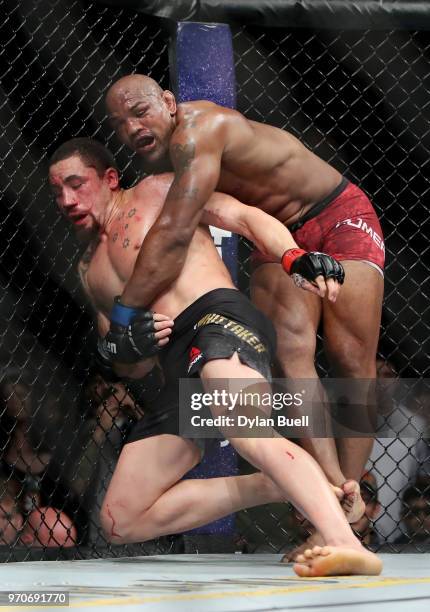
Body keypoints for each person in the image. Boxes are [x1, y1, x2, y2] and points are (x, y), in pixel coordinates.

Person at [48, 137, 382, 577]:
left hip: (217, 323)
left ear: (109, 179)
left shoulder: (159, 191)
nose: (67, 200)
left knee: (247, 431)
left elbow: (242, 216)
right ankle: (284, 484)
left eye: (77, 184)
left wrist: (292, 256)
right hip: (177, 373)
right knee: (120, 518)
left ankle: (344, 540)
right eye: (57, 192)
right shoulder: (89, 269)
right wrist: (125, 349)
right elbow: (130, 363)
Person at [104, 74, 385, 519]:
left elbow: (173, 233)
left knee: (352, 360)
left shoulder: (198, 132)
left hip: (336, 212)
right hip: (276, 233)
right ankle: (337, 497)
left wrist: (123, 313)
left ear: (169, 103)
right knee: (292, 352)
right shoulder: (163, 172)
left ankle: (350, 494)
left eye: (141, 111)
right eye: (120, 123)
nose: (133, 127)